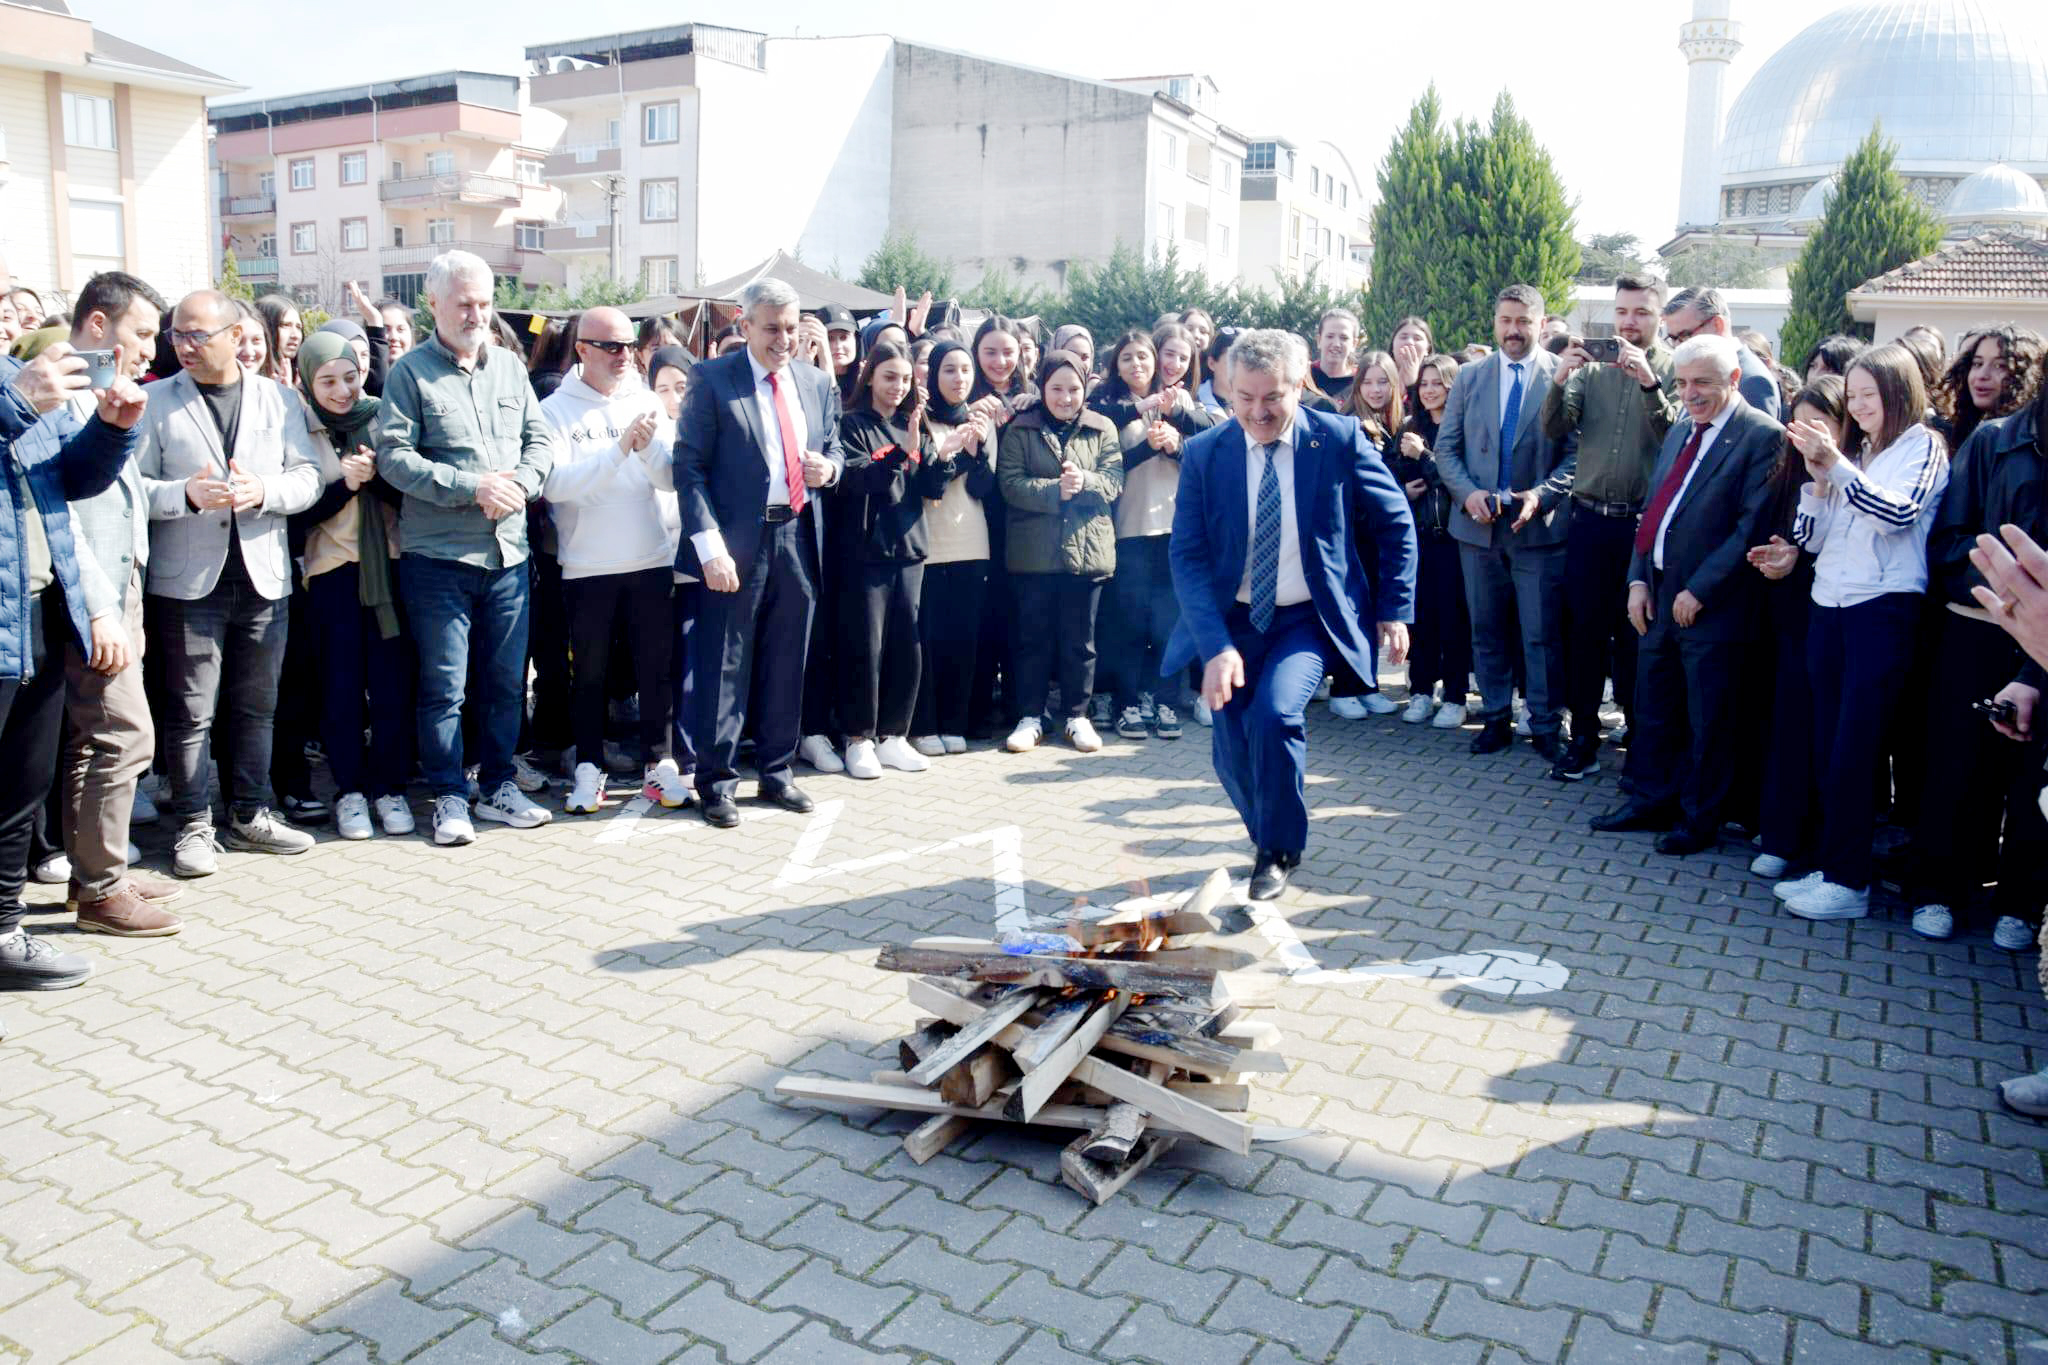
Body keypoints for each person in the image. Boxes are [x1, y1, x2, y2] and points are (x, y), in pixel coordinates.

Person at [1165, 329, 1416, 900]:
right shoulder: (1206, 454)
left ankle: (1277, 850)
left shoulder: (1337, 439)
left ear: (1299, 386)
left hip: (1305, 620)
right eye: (1244, 398)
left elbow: (1396, 522)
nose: (1258, 412)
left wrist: (1395, 609)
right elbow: (1187, 555)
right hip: (1231, 622)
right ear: (1229, 392)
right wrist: (1215, 645)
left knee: (1276, 717)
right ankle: (1267, 828)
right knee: (1232, 746)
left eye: (1271, 398)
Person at [132, 290, 323, 877]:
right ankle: (193, 823)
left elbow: (309, 476)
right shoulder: (153, 401)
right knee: (191, 711)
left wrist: (265, 491)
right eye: (176, 336)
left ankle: (249, 813)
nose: (184, 346)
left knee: (256, 708)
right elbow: (132, 489)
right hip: (188, 584)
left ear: (235, 337)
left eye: (197, 335)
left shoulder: (278, 398)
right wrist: (183, 495)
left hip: (263, 577)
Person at [377, 250, 557, 846]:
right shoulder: (409, 373)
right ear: (434, 305)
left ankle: (499, 785)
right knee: (444, 688)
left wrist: (520, 487)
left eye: (484, 303)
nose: (476, 313)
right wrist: (469, 486)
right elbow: (395, 458)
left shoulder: (509, 366)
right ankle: (450, 796)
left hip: (508, 556)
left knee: (506, 682)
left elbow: (540, 443)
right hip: (439, 561)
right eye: (464, 304)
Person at [1590, 334, 1784, 854]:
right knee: (1655, 707)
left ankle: (1699, 820)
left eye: (1702, 382)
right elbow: (1653, 511)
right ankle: (1651, 799)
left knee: (1708, 720)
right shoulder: (1682, 428)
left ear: (1734, 381)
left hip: (1712, 608)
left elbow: (1750, 528)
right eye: (1682, 382)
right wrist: (1636, 579)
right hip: (1658, 594)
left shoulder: (1762, 436)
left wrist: (1701, 590)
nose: (1690, 393)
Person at [32, 274, 185, 936]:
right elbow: (60, 516)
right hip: (85, 597)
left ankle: (94, 872)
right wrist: (99, 607)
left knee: (99, 738)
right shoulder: (53, 403)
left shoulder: (105, 397)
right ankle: (100, 890)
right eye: (143, 333)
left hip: (119, 589)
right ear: (98, 327)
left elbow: (125, 498)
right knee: (123, 734)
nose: (153, 349)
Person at [1775, 343, 1949, 920]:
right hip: (1831, 603)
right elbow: (1810, 540)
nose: (1858, 406)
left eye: (1869, 395)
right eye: (1852, 396)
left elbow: (1897, 516)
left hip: (1883, 608)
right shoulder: (1865, 450)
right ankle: (1833, 864)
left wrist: (1841, 468)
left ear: (1899, 394)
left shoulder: (1924, 446)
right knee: (1828, 742)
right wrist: (1818, 482)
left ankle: (1850, 883)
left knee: (1855, 746)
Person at [0, 340, 152, 990]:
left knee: (20, 784)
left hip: (35, 605)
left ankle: (5, 931)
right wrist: (14, 404)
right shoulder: (19, 386)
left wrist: (112, 428)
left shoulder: (19, 374)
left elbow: (71, 479)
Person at [674, 278, 842, 827]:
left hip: (797, 535)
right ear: (744, 325)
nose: (784, 339)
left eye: (792, 327)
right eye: (772, 327)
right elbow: (690, 467)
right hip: (734, 545)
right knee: (724, 663)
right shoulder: (711, 379)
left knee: (786, 662)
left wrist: (830, 469)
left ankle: (776, 771)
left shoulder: (817, 383)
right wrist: (709, 548)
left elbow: (834, 445)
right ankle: (716, 781)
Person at [1907, 351, 2047, 943]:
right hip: (1980, 629)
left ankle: (2019, 902)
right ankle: (1939, 889)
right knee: (1958, 768)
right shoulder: (1993, 441)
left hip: (2044, 652)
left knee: (2033, 777)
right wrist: (2006, 592)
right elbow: (1948, 542)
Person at [538, 306, 686, 816]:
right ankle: (588, 768)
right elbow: (557, 485)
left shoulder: (646, 399)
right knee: (592, 676)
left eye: (628, 345)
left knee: (655, 668)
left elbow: (669, 479)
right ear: (582, 350)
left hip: (649, 557)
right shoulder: (557, 409)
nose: (625, 356)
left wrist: (644, 452)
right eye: (611, 346)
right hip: (586, 565)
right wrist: (620, 449)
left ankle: (658, 763)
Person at [1541, 275, 1678, 782]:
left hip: (1644, 528)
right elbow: (1554, 429)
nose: (1629, 322)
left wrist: (1649, 384)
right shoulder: (1593, 370)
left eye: (1640, 312)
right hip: (1590, 522)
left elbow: (1678, 438)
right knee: (1585, 635)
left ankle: (1640, 741)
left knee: (1638, 637)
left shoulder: (1672, 369)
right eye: (1622, 311)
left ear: (1659, 316)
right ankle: (1582, 738)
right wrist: (1559, 379)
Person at [1434, 285, 1574, 761]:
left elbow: (1576, 456)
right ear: (1495, 322)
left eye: (1523, 322)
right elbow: (1445, 449)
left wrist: (1541, 494)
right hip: (1477, 529)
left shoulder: (1564, 375)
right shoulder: (1471, 377)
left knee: (1540, 633)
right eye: (1505, 320)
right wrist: (1467, 493)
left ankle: (1546, 724)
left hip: (1537, 531)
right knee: (1486, 629)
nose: (1513, 331)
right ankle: (1495, 718)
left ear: (1540, 323)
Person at [290, 329, 415, 840]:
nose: (343, 390)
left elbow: (410, 494)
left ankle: (390, 788)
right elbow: (296, 515)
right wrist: (346, 484)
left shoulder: (384, 415)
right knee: (340, 690)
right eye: (328, 381)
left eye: (350, 376)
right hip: (331, 575)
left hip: (390, 568)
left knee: (391, 687)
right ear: (308, 382)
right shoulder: (298, 427)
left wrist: (374, 477)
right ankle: (351, 792)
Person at [1743, 377, 1843, 883]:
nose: (1806, 436)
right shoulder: (1784, 470)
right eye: (1798, 424)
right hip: (1784, 618)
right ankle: (1781, 836)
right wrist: (1779, 555)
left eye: (1820, 426)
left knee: (1826, 739)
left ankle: (1821, 849)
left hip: (1834, 618)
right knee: (1785, 730)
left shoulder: (1854, 476)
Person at [999, 349, 1121, 754]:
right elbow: (1010, 484)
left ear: (1085, 388)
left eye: (1073, 389)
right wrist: (1054, 491)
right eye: (1056, 389)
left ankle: (1077, 716)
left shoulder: (1102, 427)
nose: (1065, 398)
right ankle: (1030, 716)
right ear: (1042, 388)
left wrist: (1085, 480)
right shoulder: (1021, 428)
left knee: (1080, 642)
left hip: (1087, 552)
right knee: (1032, 640)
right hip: (1033, 554)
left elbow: (1114, 480)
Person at [831, 339, 942, 777]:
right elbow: (857, 480)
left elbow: (931, 487)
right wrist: (901, 452)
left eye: (905, 379)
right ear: (870, 377)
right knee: (865, 646)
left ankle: (895, 735)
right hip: (865, 553)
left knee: (906, 645)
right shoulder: (852, 424)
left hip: (910, 548)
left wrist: (943, 458)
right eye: (888, 377)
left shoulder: (915, 422)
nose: (897, 387)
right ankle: (859, 737)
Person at [1099, 327, 1214, 741]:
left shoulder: (1178, 401)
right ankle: (1127, 702)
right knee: (1130, 622)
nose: (1138, 365)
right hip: (1129, 528)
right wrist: (1150, 444)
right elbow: (1108, 463)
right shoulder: (1108, 404)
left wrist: (1175, 441)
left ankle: (1163, 699)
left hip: (1175, 528)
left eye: (1144, 357)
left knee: (1169, 622)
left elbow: (1209, 443)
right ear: (1116, 364)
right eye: (1127, 358)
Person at [910, 340, 997, 755]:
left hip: (972, 542)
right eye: (948, 369)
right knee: (928, 640)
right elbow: (929, 484)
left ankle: (955, 722)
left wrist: (977, 452)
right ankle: (925, 724)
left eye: (965, 370)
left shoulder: (981, 422)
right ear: (932, 375)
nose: (958, 378)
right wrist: (957, 454)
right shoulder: (921, 421)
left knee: (965, 640)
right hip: (930, 543)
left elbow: (983, 489)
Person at [1328, 350, 1409, 720]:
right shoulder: (1348, 424)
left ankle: (1368, 683)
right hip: (1353, 532)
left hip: (1384, 537)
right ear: (1358, 385)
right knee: (1353, 610)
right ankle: (1344, 687)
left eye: (1383, 382)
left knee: (1377, 610)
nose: (1376, 390)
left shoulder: (1400, 426)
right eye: (1369, 381)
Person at [1393, 352, 1470, 728]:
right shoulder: (1409, 428)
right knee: (1421, 619)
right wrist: (1404, 483)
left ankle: (1456, 695)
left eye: (1437, 382)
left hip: (1455, 539)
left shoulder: (1463, 430)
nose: (1429, 390)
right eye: (1423, 383)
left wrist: (1423, 456)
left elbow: (1456, 482)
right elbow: (1393, 481)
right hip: (1419, 538)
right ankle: (1421, 690)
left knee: (1454, 619)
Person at [1660, 287, 1781, 420]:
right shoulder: (1692, 372)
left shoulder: (1752, 380)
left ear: (1718, 325)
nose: (1678, 346)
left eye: (1685, 335)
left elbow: (1757, 436)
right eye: (1673, 338)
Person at [1310, 309, 1361, 408]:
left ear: (1354, 344)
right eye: (1330, 336)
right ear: (1319, 340)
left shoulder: (1361, 382)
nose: (1336, 344)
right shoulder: (1304, 377)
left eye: (1344, 338)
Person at [254, 294, 304, 387]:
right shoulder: (249, 380)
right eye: (285, 325)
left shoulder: (304, 378)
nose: (295, 335)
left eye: (298, 327)